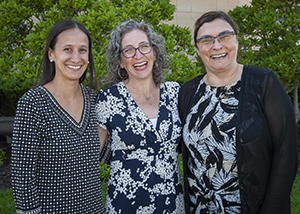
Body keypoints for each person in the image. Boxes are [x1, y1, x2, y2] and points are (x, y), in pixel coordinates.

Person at [178, 11, 298, 214]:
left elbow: (286, 152)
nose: (217, 46)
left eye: (224, 36)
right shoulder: (188, 92)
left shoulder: (263, 82)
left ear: (237, 40)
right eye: (206, 40)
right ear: (198, 49)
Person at [11, 19, 105, 213]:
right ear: (51, 54)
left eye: (82, 50)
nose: (76, 58)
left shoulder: (93, 99)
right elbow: (22, 177)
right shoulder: (33, 104)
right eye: (68, 49)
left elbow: (102, 154)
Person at [95, 19, 185, 213]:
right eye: (128, 50)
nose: (138, 55)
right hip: (126, 204)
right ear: (119, 60)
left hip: (171, 204)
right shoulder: (108, 99)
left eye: (144, 47)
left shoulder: (175, 93)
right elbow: (91, 156)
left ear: (154, 51)